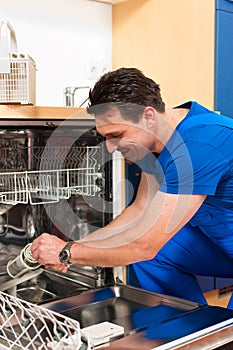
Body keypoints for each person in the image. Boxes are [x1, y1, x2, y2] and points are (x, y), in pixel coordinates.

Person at [31, 67, 233, 308]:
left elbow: (145, 245)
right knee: (152, 257)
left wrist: (67, 254)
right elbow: (138, 214)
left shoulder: (200, 143)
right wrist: (73, 248)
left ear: (148, 116)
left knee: (146, 250)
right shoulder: (156, 144)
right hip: (221, 242)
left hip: (223, 241)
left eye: (116, 134)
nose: (109, 147)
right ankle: (190, 325)